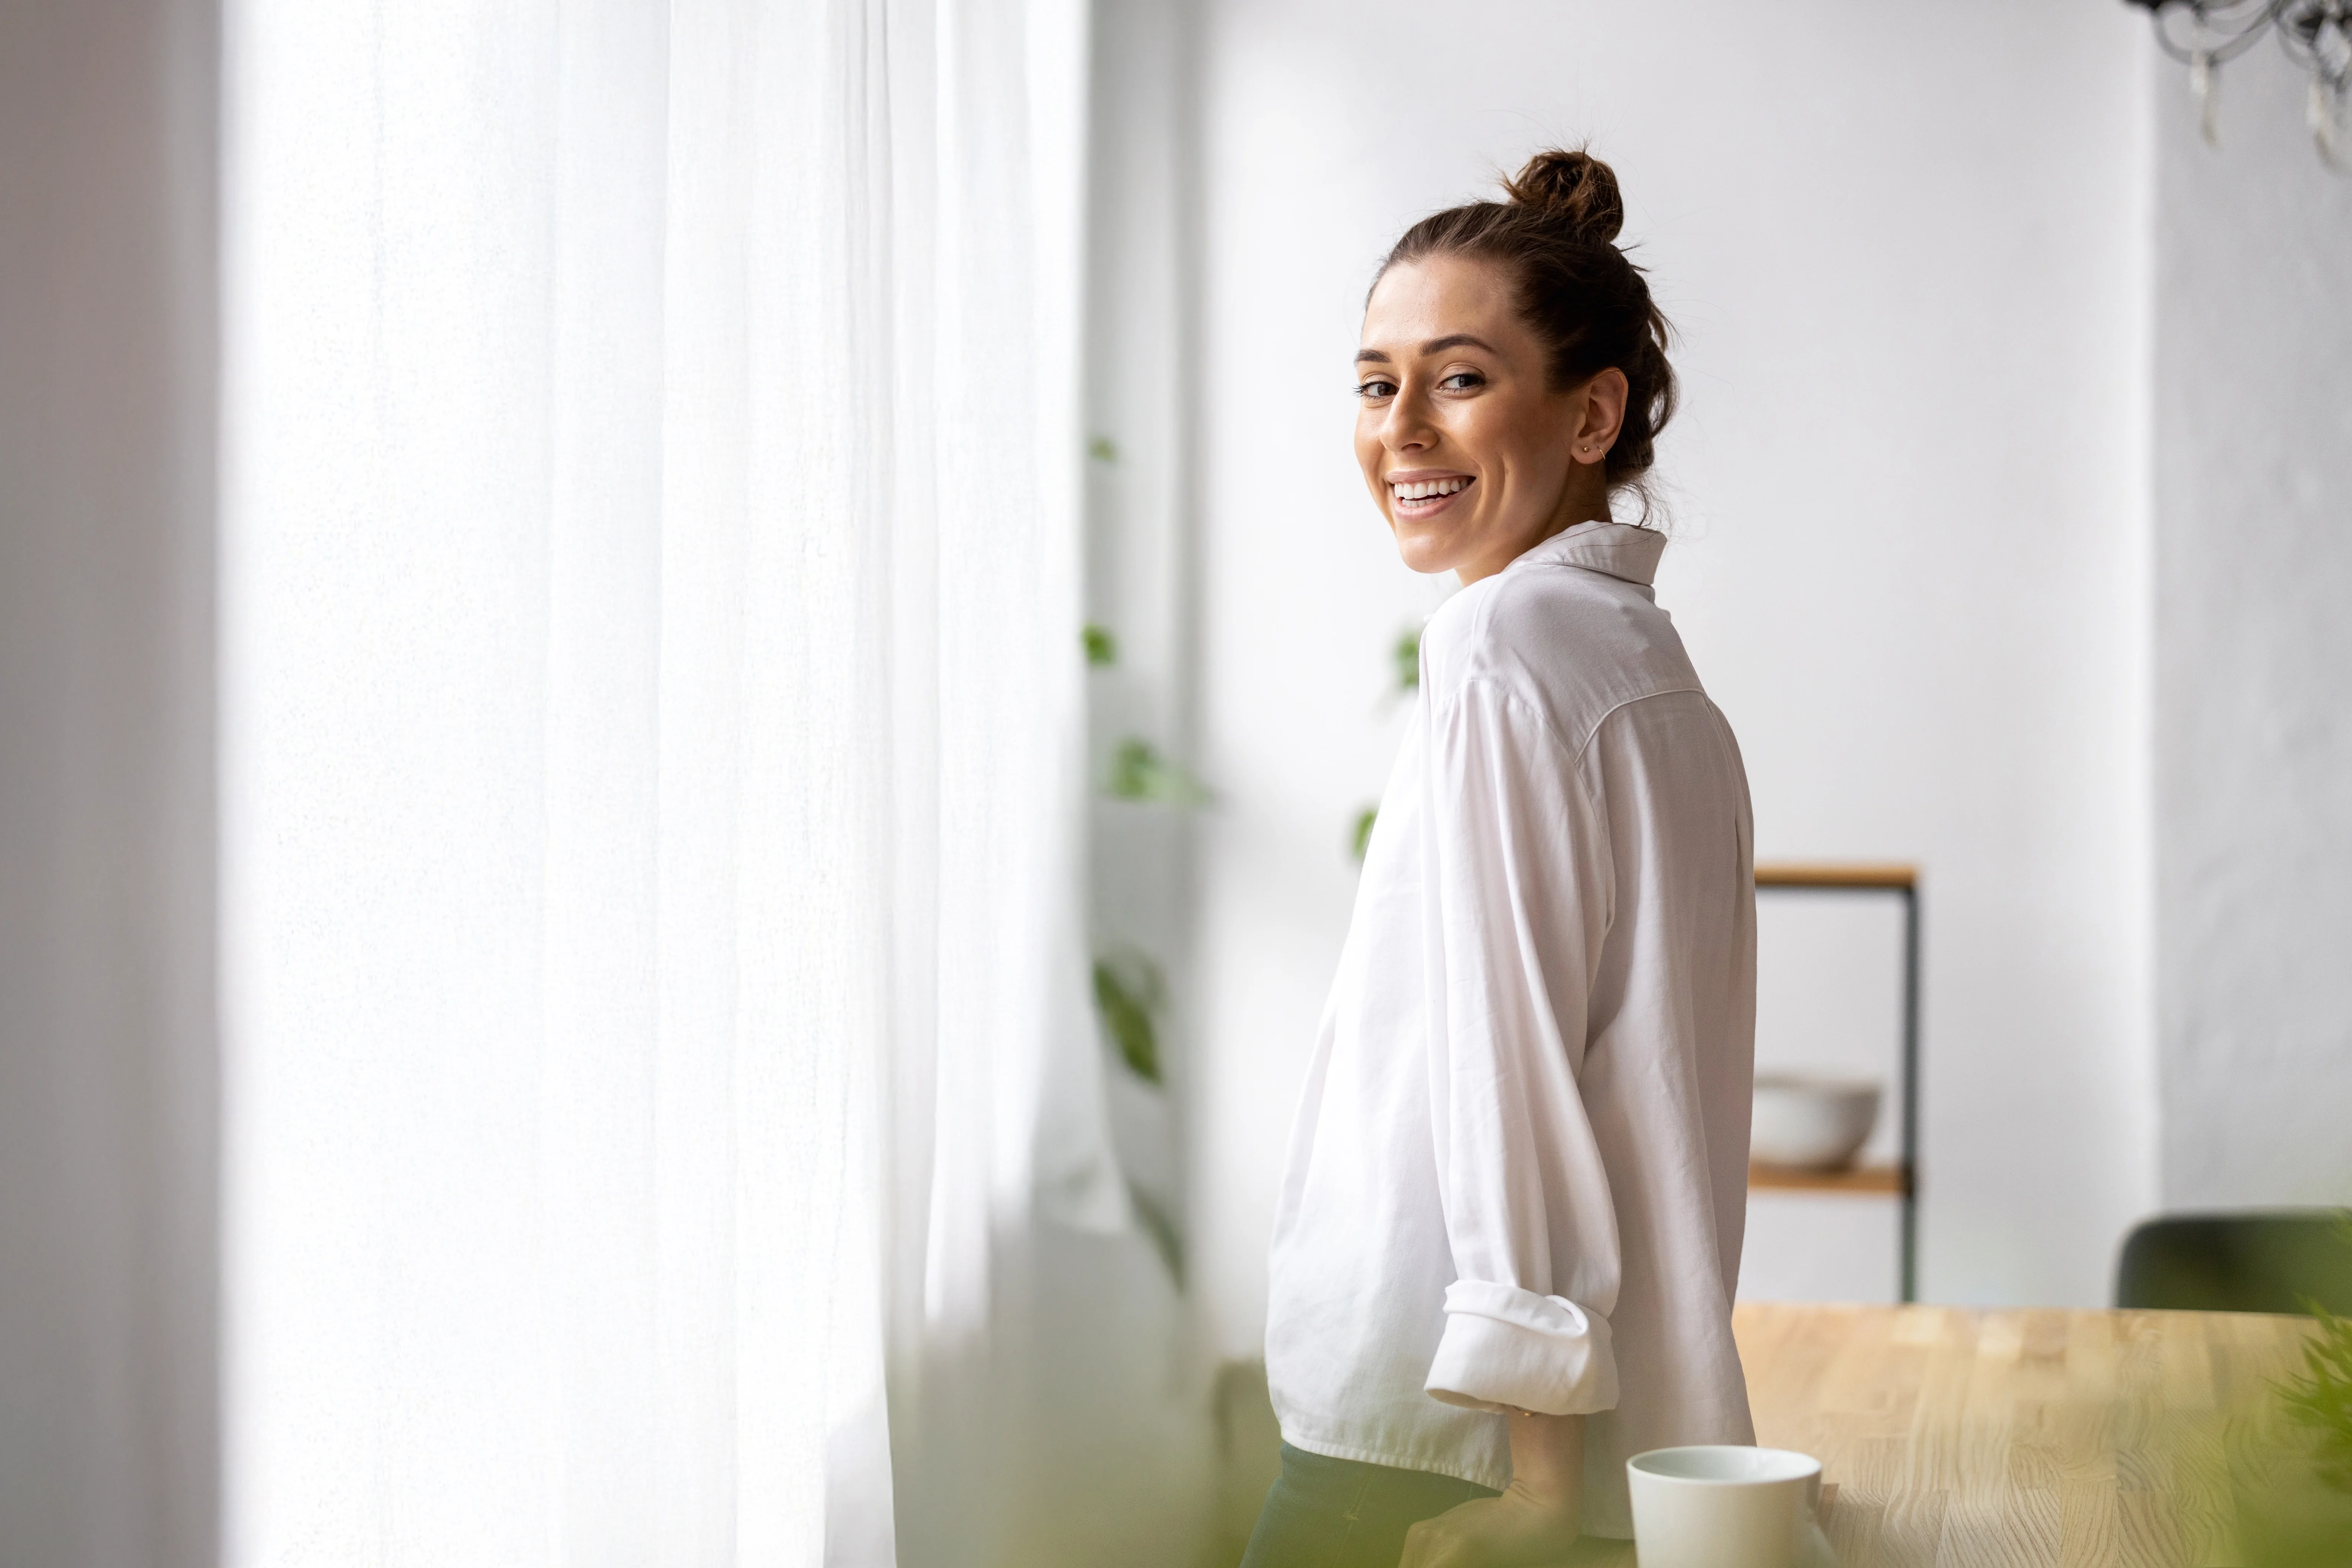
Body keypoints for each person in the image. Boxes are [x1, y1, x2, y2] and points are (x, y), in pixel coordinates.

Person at [1242, 148, 1758, 1568]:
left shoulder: (1498, 644)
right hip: (1580, 1408)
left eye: (1458, 379)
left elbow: (1511, 1064)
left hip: (1432, 1406)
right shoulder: (1648, 665)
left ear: (1593, 413)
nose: (1400, 426)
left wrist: (1532, 1481)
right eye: (1373, 381)